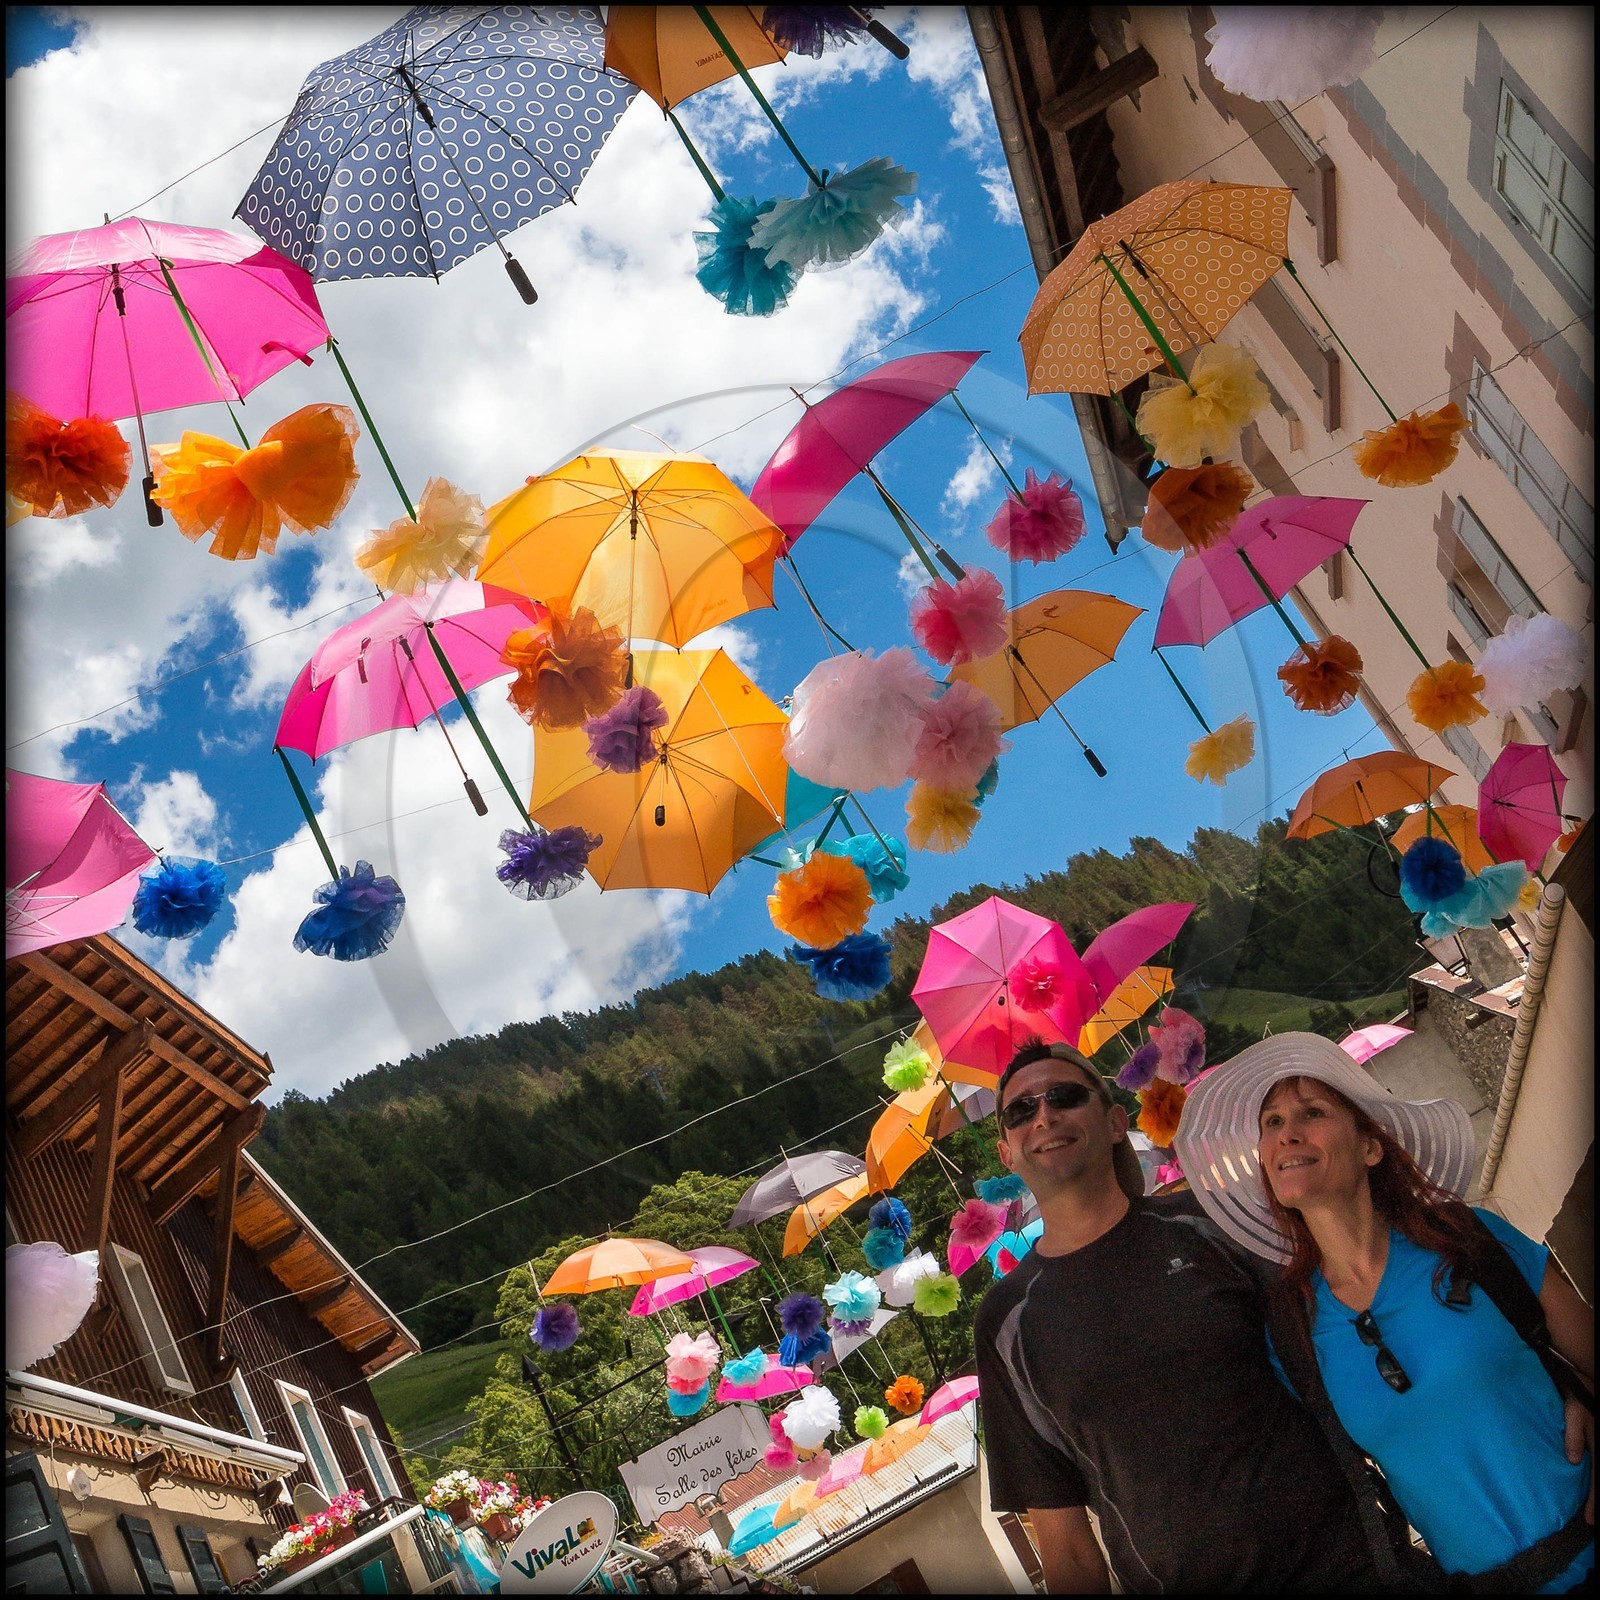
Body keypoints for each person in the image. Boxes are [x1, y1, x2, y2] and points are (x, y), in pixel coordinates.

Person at [1175, 1031, 1594, 1594]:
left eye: (1312, 1112)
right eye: (1270, 1123)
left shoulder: (1469, 1241)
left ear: (1371, 1146)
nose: (1286, 1134)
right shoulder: (1291, 1335)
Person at [973, 1037, 1383, 1593]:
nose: (1043, 1115)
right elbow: (1065, 1544)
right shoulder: (1006, 1322)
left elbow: (1334, 1361)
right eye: (1021, 1110)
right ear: (1006, 1153)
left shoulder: (1213, 1223)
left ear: (1117, 1123)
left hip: (1352, 1567)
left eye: (1065, 1096)